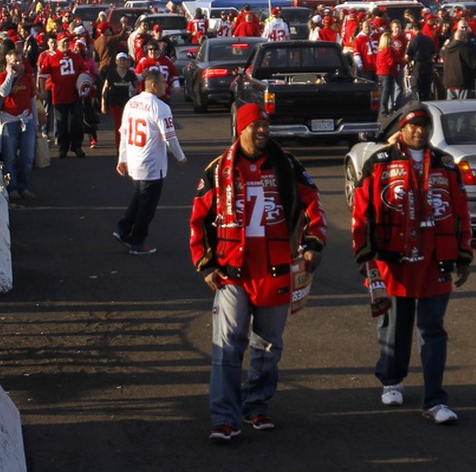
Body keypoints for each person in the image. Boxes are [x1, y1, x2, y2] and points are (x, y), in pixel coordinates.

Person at [190, 102, 325, 442]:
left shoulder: (287, 164)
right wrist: (205, 262)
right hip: (233, 272)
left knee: (268, 345)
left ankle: (257, 406)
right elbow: (199, 220)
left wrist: (313, 243)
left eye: (267, 126)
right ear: (241, 128)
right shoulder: (219, 169)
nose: (263, 132)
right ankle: (224, 417)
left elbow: (312, 204)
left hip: (276, 269)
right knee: (228, 345)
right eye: (256, 126)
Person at [351, 102, 473, 426]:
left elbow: (461, 212)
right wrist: (365, 255)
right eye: (414, 125)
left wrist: (464, 255)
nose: (420, 131)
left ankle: (434, 400)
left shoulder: (446, 165)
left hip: (436, 262)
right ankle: (391, 379)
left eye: (425, 126)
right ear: (401, 129)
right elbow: (362, 212)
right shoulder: (379, 162)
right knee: (395, 327)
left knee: (433, 330)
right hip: (393, 262)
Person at [114, 69, 186, 254]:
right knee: (147, 206)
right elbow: (170, 137)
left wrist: (122, 158)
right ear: (154, 85)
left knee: (139, 197)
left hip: (134, 160)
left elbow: (123, 133)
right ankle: (137, 242)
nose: (166, 85)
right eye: (163, 82)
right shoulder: (161, 107)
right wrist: (180, 156)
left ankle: (123, 229)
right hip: (152, 164)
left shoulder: (132, 103)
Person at [0, 48, 38, 201]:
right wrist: (9, 75)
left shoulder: (27, 78)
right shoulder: (1, 77)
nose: (18, 64)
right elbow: (3, 93)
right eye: (15, 61)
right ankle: (12, 187)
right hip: (9, 121)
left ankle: (24, 187)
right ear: (8, 62)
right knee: (10, 157)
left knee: (28, 157)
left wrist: (36, 123)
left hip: (26, 120)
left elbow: (32, 100)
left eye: (20, 61)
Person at [440, 22, 476, 99]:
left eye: (466, 28)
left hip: (450, 81)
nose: (464, 29)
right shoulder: (460, 46)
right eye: (462, 27)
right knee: (462, 106)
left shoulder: (472, 38)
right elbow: (472, 63)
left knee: (451, 107)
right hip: (462, 81)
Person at [99, 52, 139, 135]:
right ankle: (119, 146)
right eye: (120, 60)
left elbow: (136, 86)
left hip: (126, 101)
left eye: (124, 60)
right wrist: (103, 104)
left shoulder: (130, 74)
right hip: (114, 102)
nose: (122, 62)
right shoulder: (112, 73)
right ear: (116, 61)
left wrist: (133, 95)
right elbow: (105, 88)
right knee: (118, 123)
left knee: (127, 123)